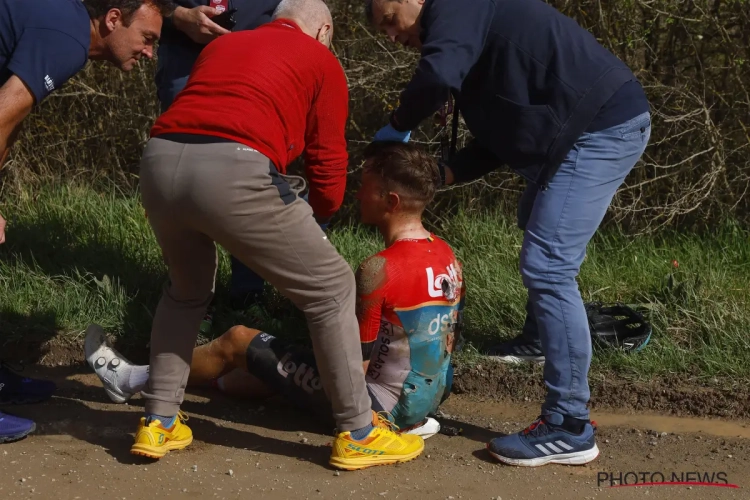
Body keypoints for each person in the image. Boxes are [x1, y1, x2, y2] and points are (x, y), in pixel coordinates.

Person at [123, 0, 424, 469]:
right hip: (234, 169)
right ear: (323, 30)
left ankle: (158, 422)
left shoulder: (226, 45)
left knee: (186, 291)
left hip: (159, 161)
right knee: (331, 287)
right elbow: (326, 164)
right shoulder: (321, 60)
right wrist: (319, 214)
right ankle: (359, 431)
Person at [366, 0, 651, 467]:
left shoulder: (456, 9)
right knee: (535, 222)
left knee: (548, 266)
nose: (393, 37)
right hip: (577, 130)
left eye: (390, 22)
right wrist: (446, 173)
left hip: (600, 127)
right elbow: (501, 136)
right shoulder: (468, 40)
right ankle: (541, 338)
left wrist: (397, 126)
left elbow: (437, 77)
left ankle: (569, 425)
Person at [86, 142, 465, 446]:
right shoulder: (448, 255)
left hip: (378, 409)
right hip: (424, 400)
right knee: (265, 366)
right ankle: (204, 383)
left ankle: (131, 379)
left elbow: (356, 366)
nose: (357, 195)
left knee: (238, 340)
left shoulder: (380, 268)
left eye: (365, 187)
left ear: (391, 201)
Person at [0, 0, 173, 444]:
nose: (149, 53)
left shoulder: (65, 28)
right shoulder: (68, 40)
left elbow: (11, 120)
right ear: (113, 19)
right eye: (147, 39)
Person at [155, 0, 282, 314]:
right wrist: (177, 15)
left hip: (259, 55)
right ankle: (191, 296)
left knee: (253, 168)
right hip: (184, 57)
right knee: (186, 171)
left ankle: (248, 295)